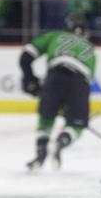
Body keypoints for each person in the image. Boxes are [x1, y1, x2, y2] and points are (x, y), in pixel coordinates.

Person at [20, 14, 96, 170]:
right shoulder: (90, 48)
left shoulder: (56, 36)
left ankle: (40, 154)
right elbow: (88, 82)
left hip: (55, 75)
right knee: (76, 126)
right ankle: (62, 141)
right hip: (80, 80)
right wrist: (79, 115)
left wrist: (29, 79)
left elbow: (26, 56)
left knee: (46, 118)